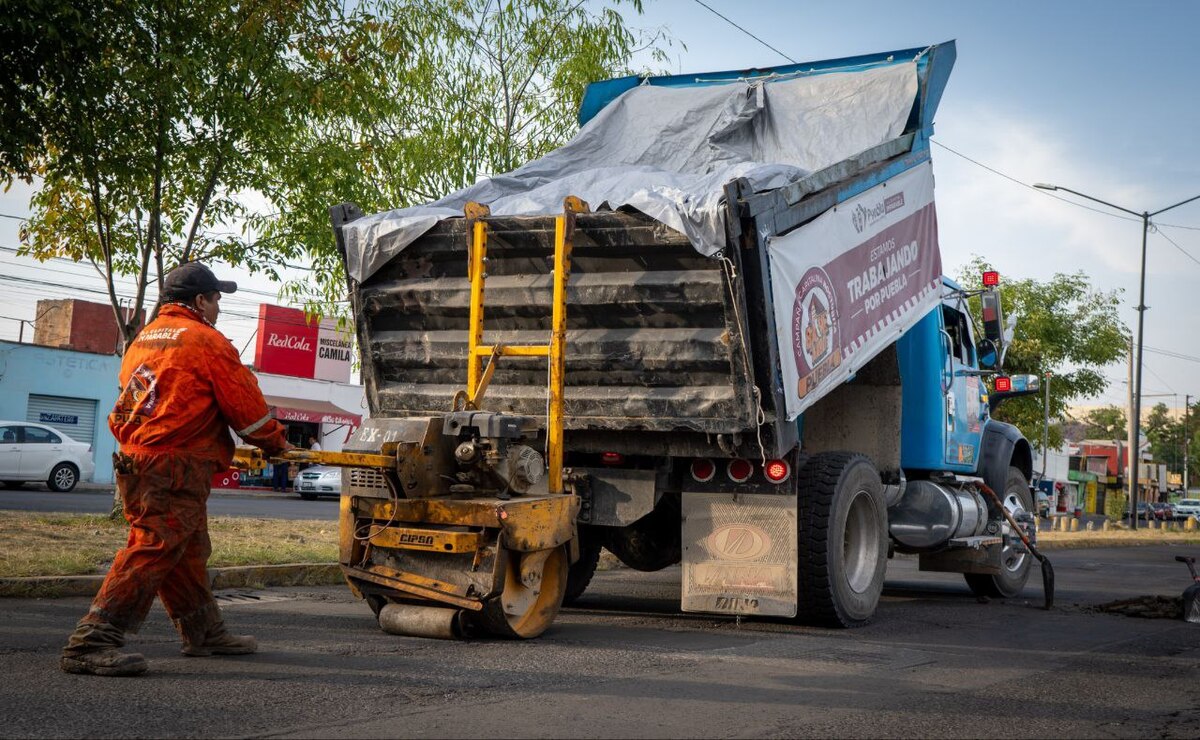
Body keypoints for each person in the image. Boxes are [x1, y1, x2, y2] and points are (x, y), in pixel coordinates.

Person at [61, 262, 294, 677]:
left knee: (186, 550)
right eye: (217, 298)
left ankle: (203, 631)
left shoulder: (143, 340)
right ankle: (92, 640)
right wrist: (278, 444)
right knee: (152, 546)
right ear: (200, 301)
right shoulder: (206, 341)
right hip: (173, 465)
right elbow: (249, 413)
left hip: (139, 458)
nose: (219, 306)